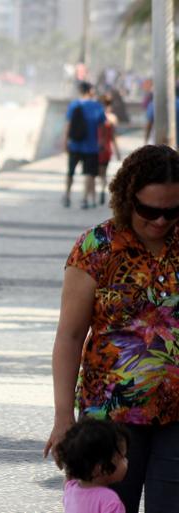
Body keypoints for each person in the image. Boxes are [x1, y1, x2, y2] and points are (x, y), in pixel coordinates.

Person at [44, 144, 179, 513]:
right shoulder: (96, 248)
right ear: (125, 197)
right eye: (149, 210)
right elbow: (69, 337)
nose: (161, 221)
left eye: (172, 211)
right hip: (110, 419)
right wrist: (62, 418)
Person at [56, 418, 129, 513]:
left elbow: (68, 476)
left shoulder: (70, 489)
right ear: (100, 467)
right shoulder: (110, 501)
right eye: (122, 458)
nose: (126, 461)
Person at [64, 81, 106, 209]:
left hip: (75, 145)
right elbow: (102, 126)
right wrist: (102, 141)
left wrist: (65, 141)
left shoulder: (73, 105)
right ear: (90, 91)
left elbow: (68, 124)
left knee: (70, 171)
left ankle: (67, 195)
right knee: (89, 173)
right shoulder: (97, 106)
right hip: (91, 146)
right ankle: (84, 199)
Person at [97, 94, 121, 206]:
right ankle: (102, 189)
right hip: (107, 149)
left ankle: (92, 194)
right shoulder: (113, 118)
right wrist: (118, 152)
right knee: (104, 172)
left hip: (95, 148)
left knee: (94, 173)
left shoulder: (96, 116)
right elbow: (114, 137)